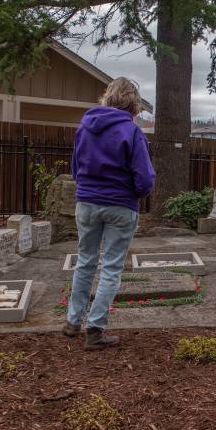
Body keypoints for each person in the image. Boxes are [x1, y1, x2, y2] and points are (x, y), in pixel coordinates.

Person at [64, 77, 155, 350]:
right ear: (134, 104)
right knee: (111, 266)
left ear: (108, 97)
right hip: (120, 204)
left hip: (87, 202)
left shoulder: (85, 127)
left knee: (85, 261)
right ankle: (95, 329)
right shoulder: (132, 131)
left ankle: (72, 321)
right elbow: (144, 177)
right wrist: (139, 193)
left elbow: (75, 167)